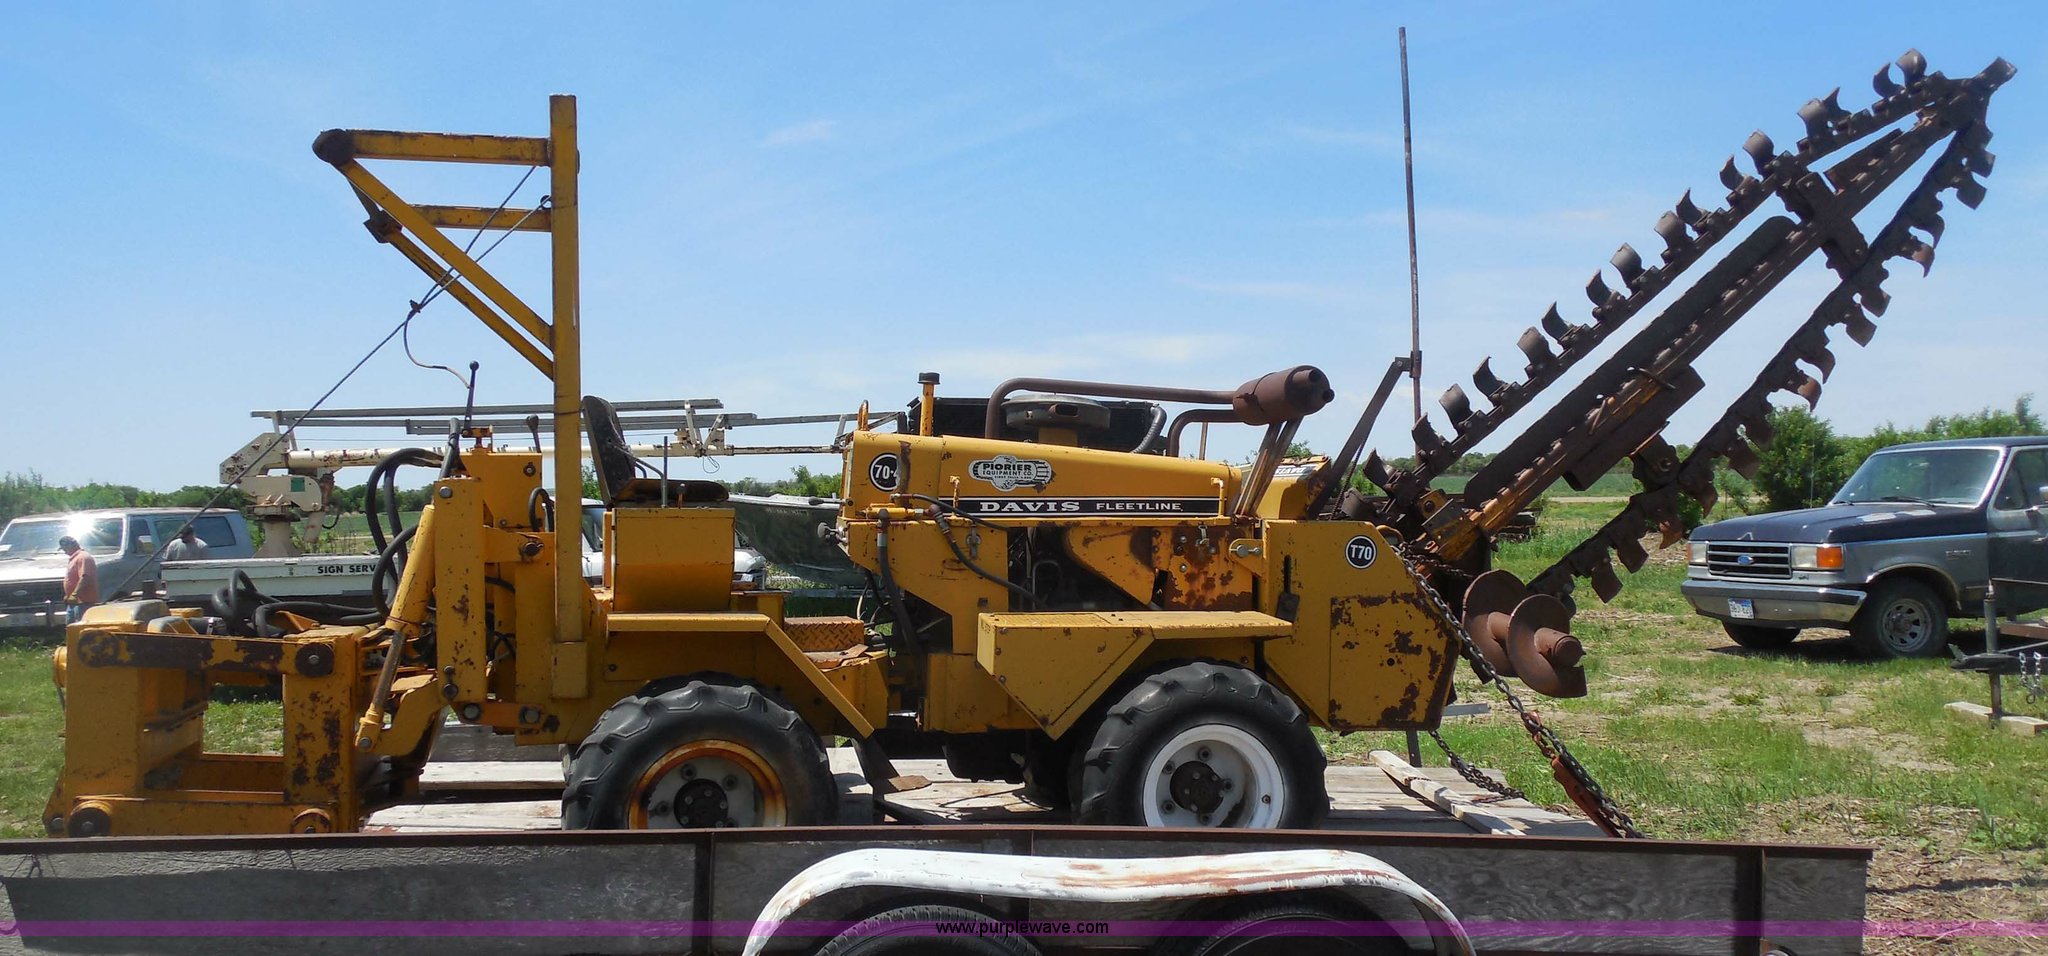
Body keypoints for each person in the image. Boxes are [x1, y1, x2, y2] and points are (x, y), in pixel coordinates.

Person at [59, 536, 99, 623]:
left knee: (79, 626)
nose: (65, 552)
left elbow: (85, 577)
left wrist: (74, 594)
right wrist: (68, 595)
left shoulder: (83, 557)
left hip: (83, 602)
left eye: (65, 549)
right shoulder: (74, 558)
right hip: (74, 602)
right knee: (71, 627)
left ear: (71, 545)